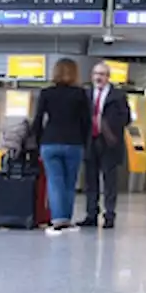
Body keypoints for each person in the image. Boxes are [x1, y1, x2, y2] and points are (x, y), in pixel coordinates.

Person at [33, 59, 92, 234]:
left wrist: (37, 143)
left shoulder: (46, 93)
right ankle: (66, 219)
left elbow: (38, 121)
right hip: (74, 143)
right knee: (69, 182)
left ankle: (57, 220)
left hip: (50, 142)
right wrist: (85, 143)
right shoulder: (80, 94)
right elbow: (86, 122)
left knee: (54, 181)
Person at [78, 62, 128, 229]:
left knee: (110, 180)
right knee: (90, 180)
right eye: (95, 74)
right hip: (91, 140)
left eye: (102, 74)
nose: (98, 77)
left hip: (109, 142)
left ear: (108, 77)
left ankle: (110, 215)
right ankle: (91, 214)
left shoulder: (118, 96)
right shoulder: (86, 95)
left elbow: (126, 118)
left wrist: (110, 126)